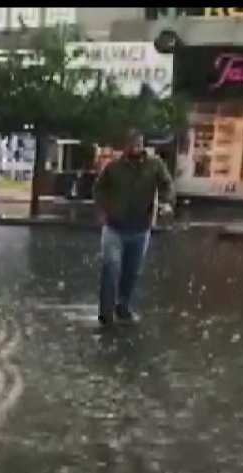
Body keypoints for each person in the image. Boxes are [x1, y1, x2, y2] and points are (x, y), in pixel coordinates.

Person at [92, 129, 175, 328]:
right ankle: (105, 312)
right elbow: (99, 188)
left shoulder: (155, 165)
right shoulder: (114, 167)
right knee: (111, 266)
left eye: (138, 144)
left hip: (140, 228)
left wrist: (165, 202)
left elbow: (167, 185)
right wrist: (105, 209)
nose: (134, 147)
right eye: (131, 144)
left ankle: (123, 305)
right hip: (114, 227)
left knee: (132, 270)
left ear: (142, 145)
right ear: (125, 146)